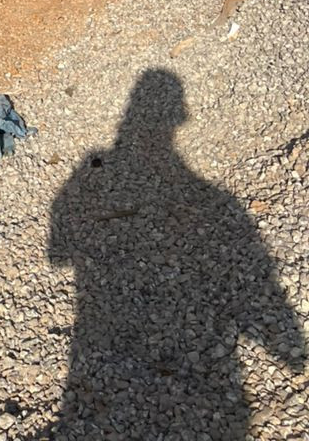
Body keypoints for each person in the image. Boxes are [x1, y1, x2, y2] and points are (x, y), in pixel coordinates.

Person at [48, 70, 305, 439]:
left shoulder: (80, 185)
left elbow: (57, 256)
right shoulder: (219, 202)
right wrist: (288, 346)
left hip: (96, 339)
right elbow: (260, 276)